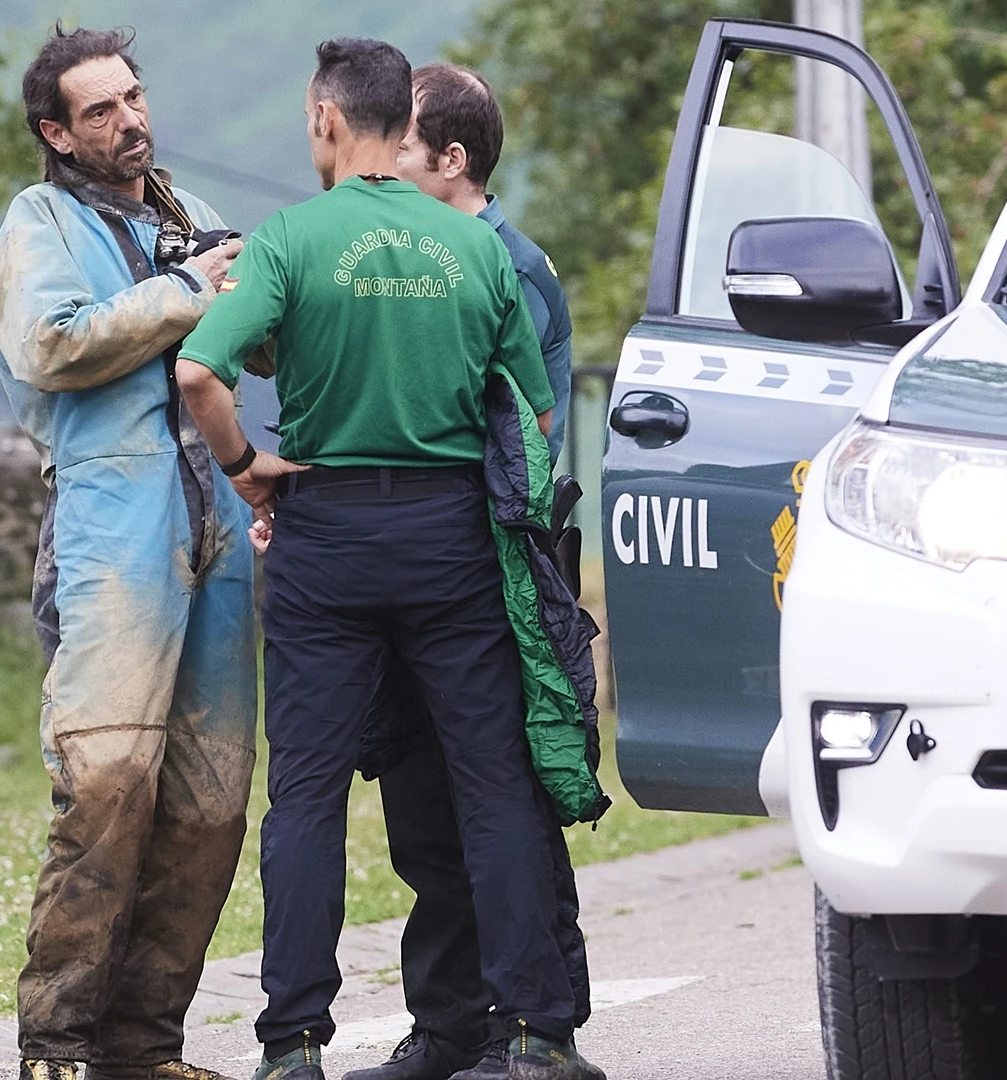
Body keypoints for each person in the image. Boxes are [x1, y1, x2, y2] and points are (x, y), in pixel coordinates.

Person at [174, 38, 598, 1080]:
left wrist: (247, 468)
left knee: (308, 795)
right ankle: (541, 1035)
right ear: (396, 126)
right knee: (493, 785)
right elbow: (532, 412)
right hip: (454, 539)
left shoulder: (288, 242)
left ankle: (291, 1047)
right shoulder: (478, 249)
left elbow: (197, 374)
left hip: (326, 538)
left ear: (326, 119)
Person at [0, 26, 256, 1080]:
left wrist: (263, 287)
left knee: (211, 799)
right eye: (101, 110)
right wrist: (194, 293)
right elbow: (50, 344)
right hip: (108, 520)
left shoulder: (195, 219)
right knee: (106, 781)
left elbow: (263, 335)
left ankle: (145, 1048)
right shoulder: (36, 222)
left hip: (216, 525)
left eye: (133, 98)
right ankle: (57, 1042)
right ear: (58, 132)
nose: (130, 120)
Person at [340, 63, 594, 1080]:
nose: (381, 166)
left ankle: (538, 1028)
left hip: (491, 568)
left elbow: (520, 432)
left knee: (507, 805)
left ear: (451, 159)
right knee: (421, 805)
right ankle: (448, 1023)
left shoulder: (509, 266)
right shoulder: (402, 255)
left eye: (398, 147)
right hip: (406, 563)